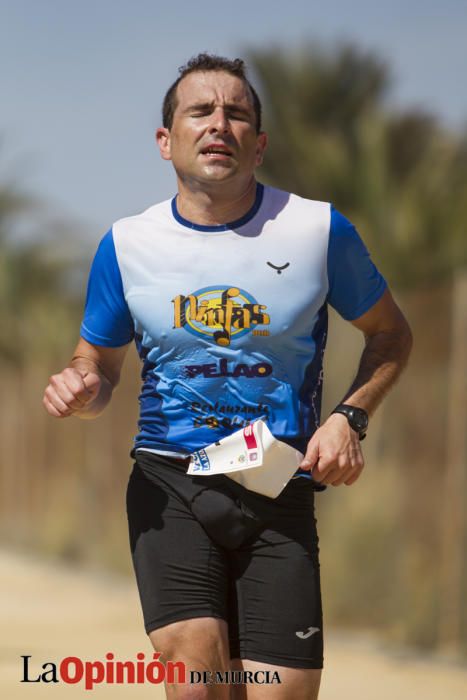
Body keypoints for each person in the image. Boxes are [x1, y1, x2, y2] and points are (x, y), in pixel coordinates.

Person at [42, 53, 412, 699]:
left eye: (236, 113)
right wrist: (80, 389)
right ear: (166, 140)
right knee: (197, 685)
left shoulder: (315, 230)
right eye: (200, 111)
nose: (219, 123)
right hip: (169, 480)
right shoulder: (127, 244)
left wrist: (348, 417)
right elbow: (97, 366)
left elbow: (390, 334)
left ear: (258, 142)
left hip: (277, 484)